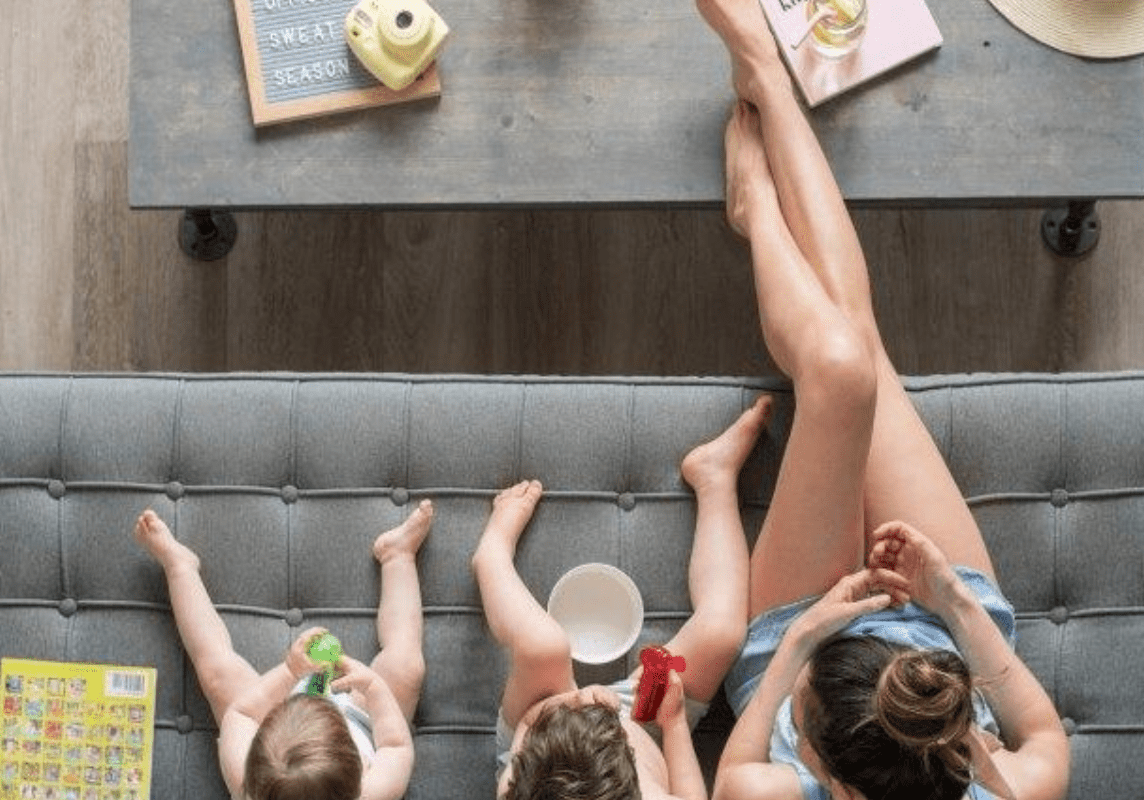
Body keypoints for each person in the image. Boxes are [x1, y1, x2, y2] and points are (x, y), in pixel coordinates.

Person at [693, 1, 1073, 799]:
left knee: (841, 369)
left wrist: (807, 636)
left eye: (805, 727)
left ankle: (760, 185)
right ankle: (766, 100)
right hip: (941, 631)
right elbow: (1043, 738)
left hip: (802, 628)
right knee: (855, 352)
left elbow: (735, 773)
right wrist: (949, 600)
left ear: (832, 784)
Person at [474, 395, 772, 800]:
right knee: (720, 632)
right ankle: (713, 478)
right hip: (646, 715)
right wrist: (673, 722)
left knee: (543, 647)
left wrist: (572, 702)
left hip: (551, 727)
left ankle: (491, 556)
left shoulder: (515, 787)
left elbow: (527, 725)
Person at [131, 502, 431, 800]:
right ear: (358, 784)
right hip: (360, 720)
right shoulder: (374, 793)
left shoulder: (246, 783)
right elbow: (395, 746)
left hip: (275, 711)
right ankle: (396, 556)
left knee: (217, 673)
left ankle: (179, 567)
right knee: (406, 668)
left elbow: (242, 713)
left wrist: (290, 673)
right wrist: (374, 687)